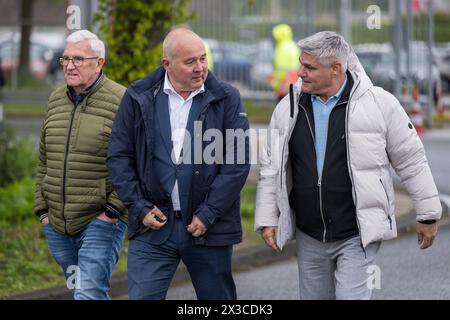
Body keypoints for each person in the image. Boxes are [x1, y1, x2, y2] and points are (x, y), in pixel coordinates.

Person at [254, 31, 442, 300]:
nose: (300, 73)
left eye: (309, 67)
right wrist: (267, 218)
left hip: (356, 233)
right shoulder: (288, 108)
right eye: (301, 64)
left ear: (336, 69)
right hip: (309, 233)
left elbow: (411, 160)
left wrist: (427, 214)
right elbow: (271, 168)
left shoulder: (380, 104)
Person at [106, 28, 250, 300]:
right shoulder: (139, 95)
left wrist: (208, 213)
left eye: (203, 59)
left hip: (209, 228)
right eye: (190, 62)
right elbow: (119, 156)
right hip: (153, 227)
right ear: (167, 64)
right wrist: (139, 207)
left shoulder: (227, 98)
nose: (200, 68)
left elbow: (236, 163)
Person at [34, 30, 127, 300]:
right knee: (84, 291)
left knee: (87, 293)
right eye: (66, 59)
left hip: (101, 219)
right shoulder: (55, 100)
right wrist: (43, 210)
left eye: (78, 59)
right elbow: (44, 158)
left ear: (99, 63)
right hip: (57, 223)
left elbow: (137, 162)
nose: (69, 65)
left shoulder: (122, 101)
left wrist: (112, 210)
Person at [270, 24, 300, 102]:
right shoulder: (293, 45)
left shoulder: (282, 47)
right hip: (294, 79)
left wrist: (278, 82)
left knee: (282, 107)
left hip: (284, 82)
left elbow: (281, 67)